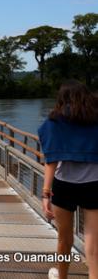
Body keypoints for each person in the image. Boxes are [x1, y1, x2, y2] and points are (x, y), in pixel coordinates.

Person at [38, 81, 98, 279]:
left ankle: (61, 276)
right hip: (94, 184)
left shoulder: (55, 122)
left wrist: (45, 193)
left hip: (64, 185)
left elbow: (51, 160)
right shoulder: (95, 118)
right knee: (94, 245)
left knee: (64, 239)